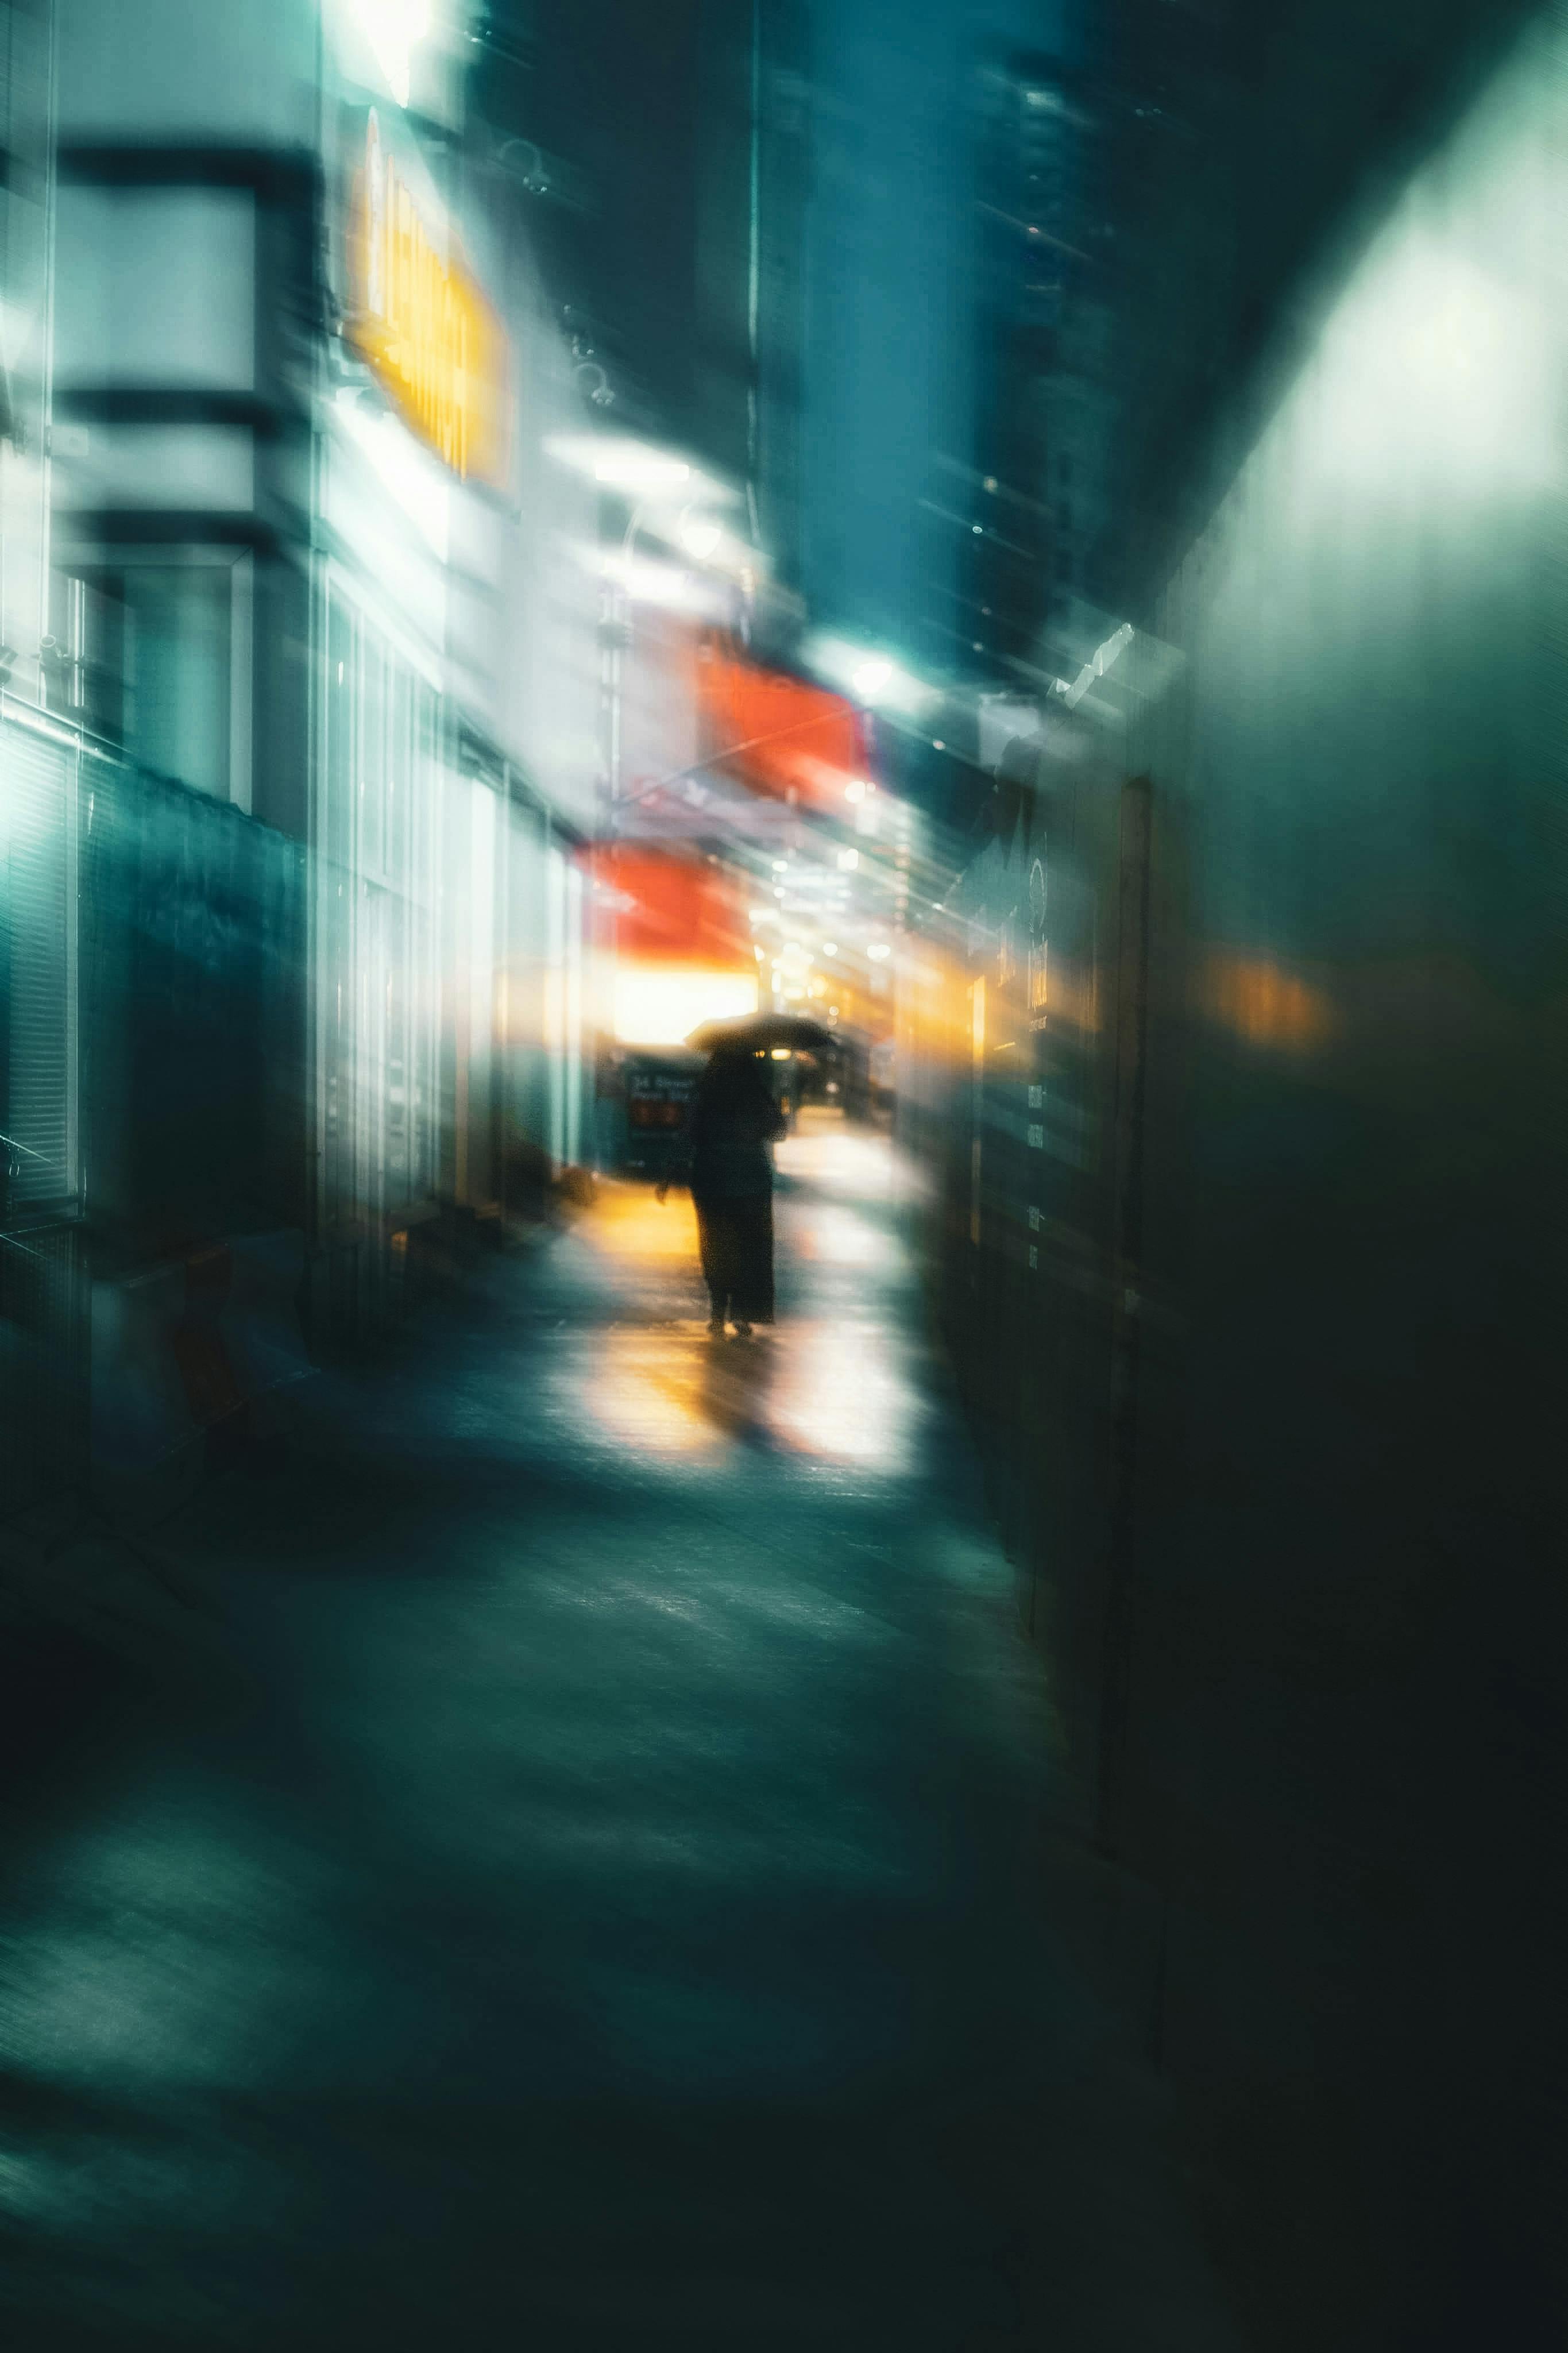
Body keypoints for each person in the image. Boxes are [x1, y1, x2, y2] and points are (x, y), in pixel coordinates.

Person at [658, 1044, 786, 1336]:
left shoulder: (705, 1092)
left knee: (715, 1245)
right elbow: (778, 1130)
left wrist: (668, 1175)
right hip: (751, 1181)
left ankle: (718, 1311)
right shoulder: (755, 1092)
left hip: (711, 1179)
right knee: (748, 1246)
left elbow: (687, 1134)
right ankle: (741, 1313)